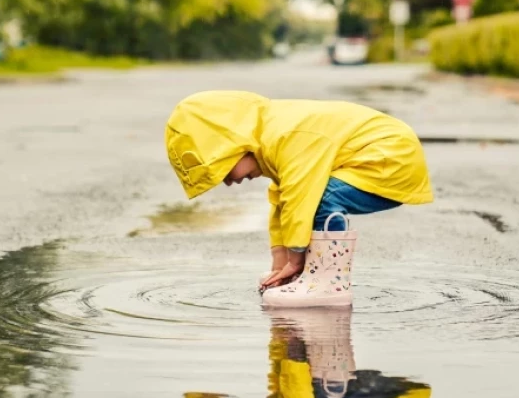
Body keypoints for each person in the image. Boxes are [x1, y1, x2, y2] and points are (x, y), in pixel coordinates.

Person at [164, 90, 432, 303]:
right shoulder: (268, 139)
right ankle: (312, 277)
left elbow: (300, 198)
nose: (228, 182)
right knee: (302, 198)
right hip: (380, 156)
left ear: (230, 145)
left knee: (317, 199)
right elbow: (282, 200)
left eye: (222, 171)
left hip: (389, 158)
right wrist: (280, 263)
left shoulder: (284, 134)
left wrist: (296, 260)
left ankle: (328, 282)